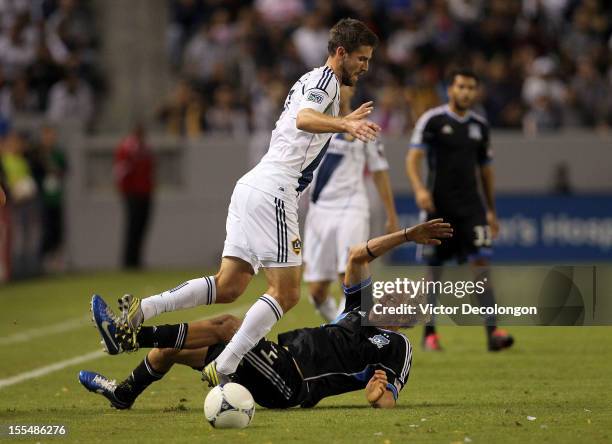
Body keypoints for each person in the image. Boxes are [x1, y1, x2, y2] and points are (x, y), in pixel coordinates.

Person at [92, 18, 381, 387]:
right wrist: (344, 125)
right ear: (340, 53)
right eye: (361, 58)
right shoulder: (325, 83)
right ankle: (225, 365)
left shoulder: (311, 80)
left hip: (252, 186)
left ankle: (142, 311)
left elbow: (306, 120)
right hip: (275, 189)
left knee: (229, 285)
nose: (364, 67)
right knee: (287, 293)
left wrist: (344, 119)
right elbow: (304, 119)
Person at [81, 219, 453, 410]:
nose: (394, 294)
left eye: (405, 297)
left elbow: (388, 396)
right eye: (395, 289)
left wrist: (378, 396)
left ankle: (128, 336)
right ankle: (124, 393)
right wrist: (407, 235)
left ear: (410, 317)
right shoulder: (359, 310)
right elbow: (357, 255)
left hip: (293, 384)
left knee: (228, 327)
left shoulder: (397, 346)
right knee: (174, 350)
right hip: (276, 359)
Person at [406, 68, 514, 352]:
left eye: (471, 88)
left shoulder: (480, 126)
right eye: (461, 87)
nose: (466, 92)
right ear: (450, 90)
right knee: (434, 272)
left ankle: (493, 333)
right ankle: (430, 334)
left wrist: (491, 210)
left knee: (482, 267)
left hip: (472, 209)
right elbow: (412, 159)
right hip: (438, 207)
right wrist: (419, 189)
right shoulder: (432, 120)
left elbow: (486, 171)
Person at [303, 85, 398, 322]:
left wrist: (391, 214)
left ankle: (351, 337)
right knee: (316, 292)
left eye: (343, 86)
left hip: (351, 207)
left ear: (351, 91)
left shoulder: (365, 127)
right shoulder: (312, 124)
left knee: (349, 274)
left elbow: (379, 171)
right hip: (319, 211)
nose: (337, 90)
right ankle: (340, 330)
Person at [113, 123, 155, 269]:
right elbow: (121, 171)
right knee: (133, 226)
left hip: (145, 192)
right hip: (132, 193)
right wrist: (124, 190)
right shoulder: (127, 148)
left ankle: (136, 260)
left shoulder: (146, 148)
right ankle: (129, 261)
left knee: (142, 226)